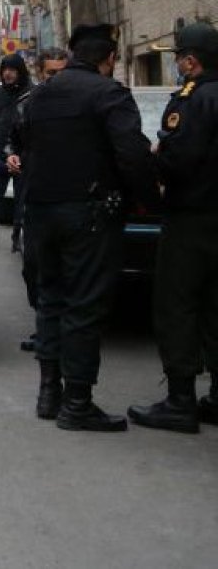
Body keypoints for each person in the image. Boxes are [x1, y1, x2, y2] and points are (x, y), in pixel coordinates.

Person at [10, 24, 158, 431]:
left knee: (50, 300)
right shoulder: (109, 94)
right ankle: (77, 402)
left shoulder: (39, 97)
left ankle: (49, 394)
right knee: (83, 307)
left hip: (41, 213)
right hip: (88, 215)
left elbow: (25, 146)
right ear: (109, 59)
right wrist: (151, 200)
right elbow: (132, 154)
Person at [128, 22, 218, 433]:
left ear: (191, 62)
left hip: (191, 220)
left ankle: (180, 400)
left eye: (179, 59)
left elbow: (177, 159)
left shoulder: (192, 100)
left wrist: (156, 158)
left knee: (177, 306)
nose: (178, 66)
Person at [7, 47, 71, 351]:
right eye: (50, 74)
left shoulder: (82, 104)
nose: (55, 80)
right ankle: (45, 328)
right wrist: (11, 156)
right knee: (33, 264)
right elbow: (13, 141)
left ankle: (63, 334)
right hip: (35, 196)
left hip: (74, 199)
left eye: (62, 73)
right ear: (40, 73)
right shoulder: (26, 105)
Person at [0, 53, 34, 255]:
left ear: (20, 71)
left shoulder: (31, 94)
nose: (8, 74)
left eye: (12, 70)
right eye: (5, 70)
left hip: (23, 156)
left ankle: (18, 238)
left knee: (22, 201)